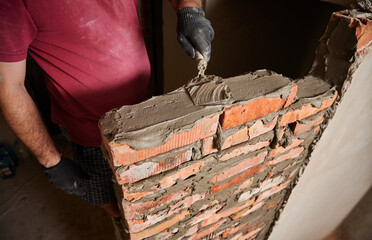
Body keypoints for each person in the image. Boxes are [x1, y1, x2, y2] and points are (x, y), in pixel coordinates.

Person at [0, 0, 214, 222]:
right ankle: (122, 222)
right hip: (91, 131)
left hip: (140, 109)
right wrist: (51, 161)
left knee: (140, 186)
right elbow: (8, 86)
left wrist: (189, 9)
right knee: (105, 192)